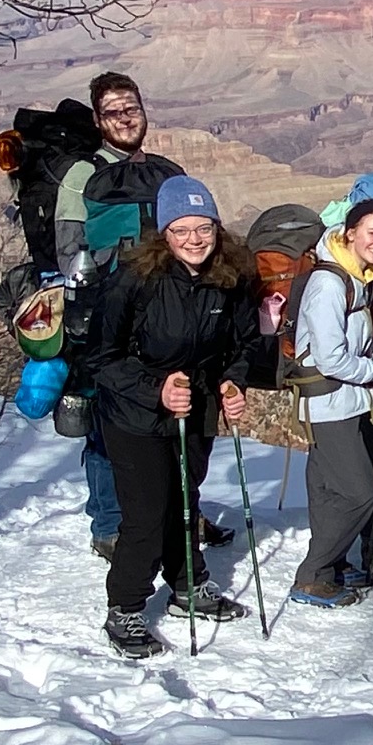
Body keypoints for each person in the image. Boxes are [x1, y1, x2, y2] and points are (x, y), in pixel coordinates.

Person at [50, 73, 229, 561]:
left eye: (132, 108)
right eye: (113, 111)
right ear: (97, 120)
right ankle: (110, 524)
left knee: (178, 419)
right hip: (109, 316)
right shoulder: (82, 175)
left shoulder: (167, 171)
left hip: (168, 317)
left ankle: (180, 512)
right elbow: (68, 249)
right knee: (109, 422)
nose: (125, 119)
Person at [86, 176, 258, 659]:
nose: (194, 240)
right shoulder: (133, 280)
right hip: (134, 414)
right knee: (146, 513)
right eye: (181, 230)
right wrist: (154, 389)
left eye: (203, 228)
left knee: (186, 499)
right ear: (164, 233)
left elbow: (244, 343)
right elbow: (101, 358)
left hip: (197, 404)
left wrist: (232, 383)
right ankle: (125, 607)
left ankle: (188, 586)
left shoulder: (231, 277)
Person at [287, 200, 373, 607]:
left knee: (325, 490)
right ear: (350, 232)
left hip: (344, 401)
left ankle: (330, 566)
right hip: (328, 404)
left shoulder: (357, 277)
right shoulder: (329, 284)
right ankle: (311, 574)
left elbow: (359, 339)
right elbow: (331, 358)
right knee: (360, 494)